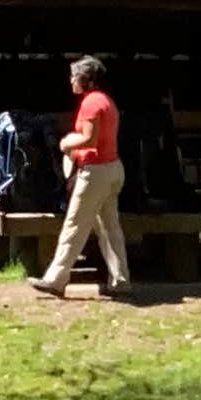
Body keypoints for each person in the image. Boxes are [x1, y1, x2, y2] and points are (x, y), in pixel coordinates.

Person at [37, 54, 134, 298]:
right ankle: (121, 280)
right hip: (113, 169)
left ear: (87, 80)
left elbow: (90, 139)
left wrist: (66, 143)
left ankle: (55, 279)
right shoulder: (107, 101)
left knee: (74, 225)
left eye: (74, 76)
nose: (71, 80)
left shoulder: (91, 103)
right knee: (110, 228)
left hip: (96, 172)